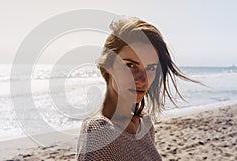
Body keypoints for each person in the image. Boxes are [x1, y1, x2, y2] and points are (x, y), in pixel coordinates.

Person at [77, 17, 198, 161]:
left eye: (150, 68)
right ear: (108, 65)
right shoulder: (100, 132)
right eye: (130, 65)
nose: (143, 80)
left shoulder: (144, 124)